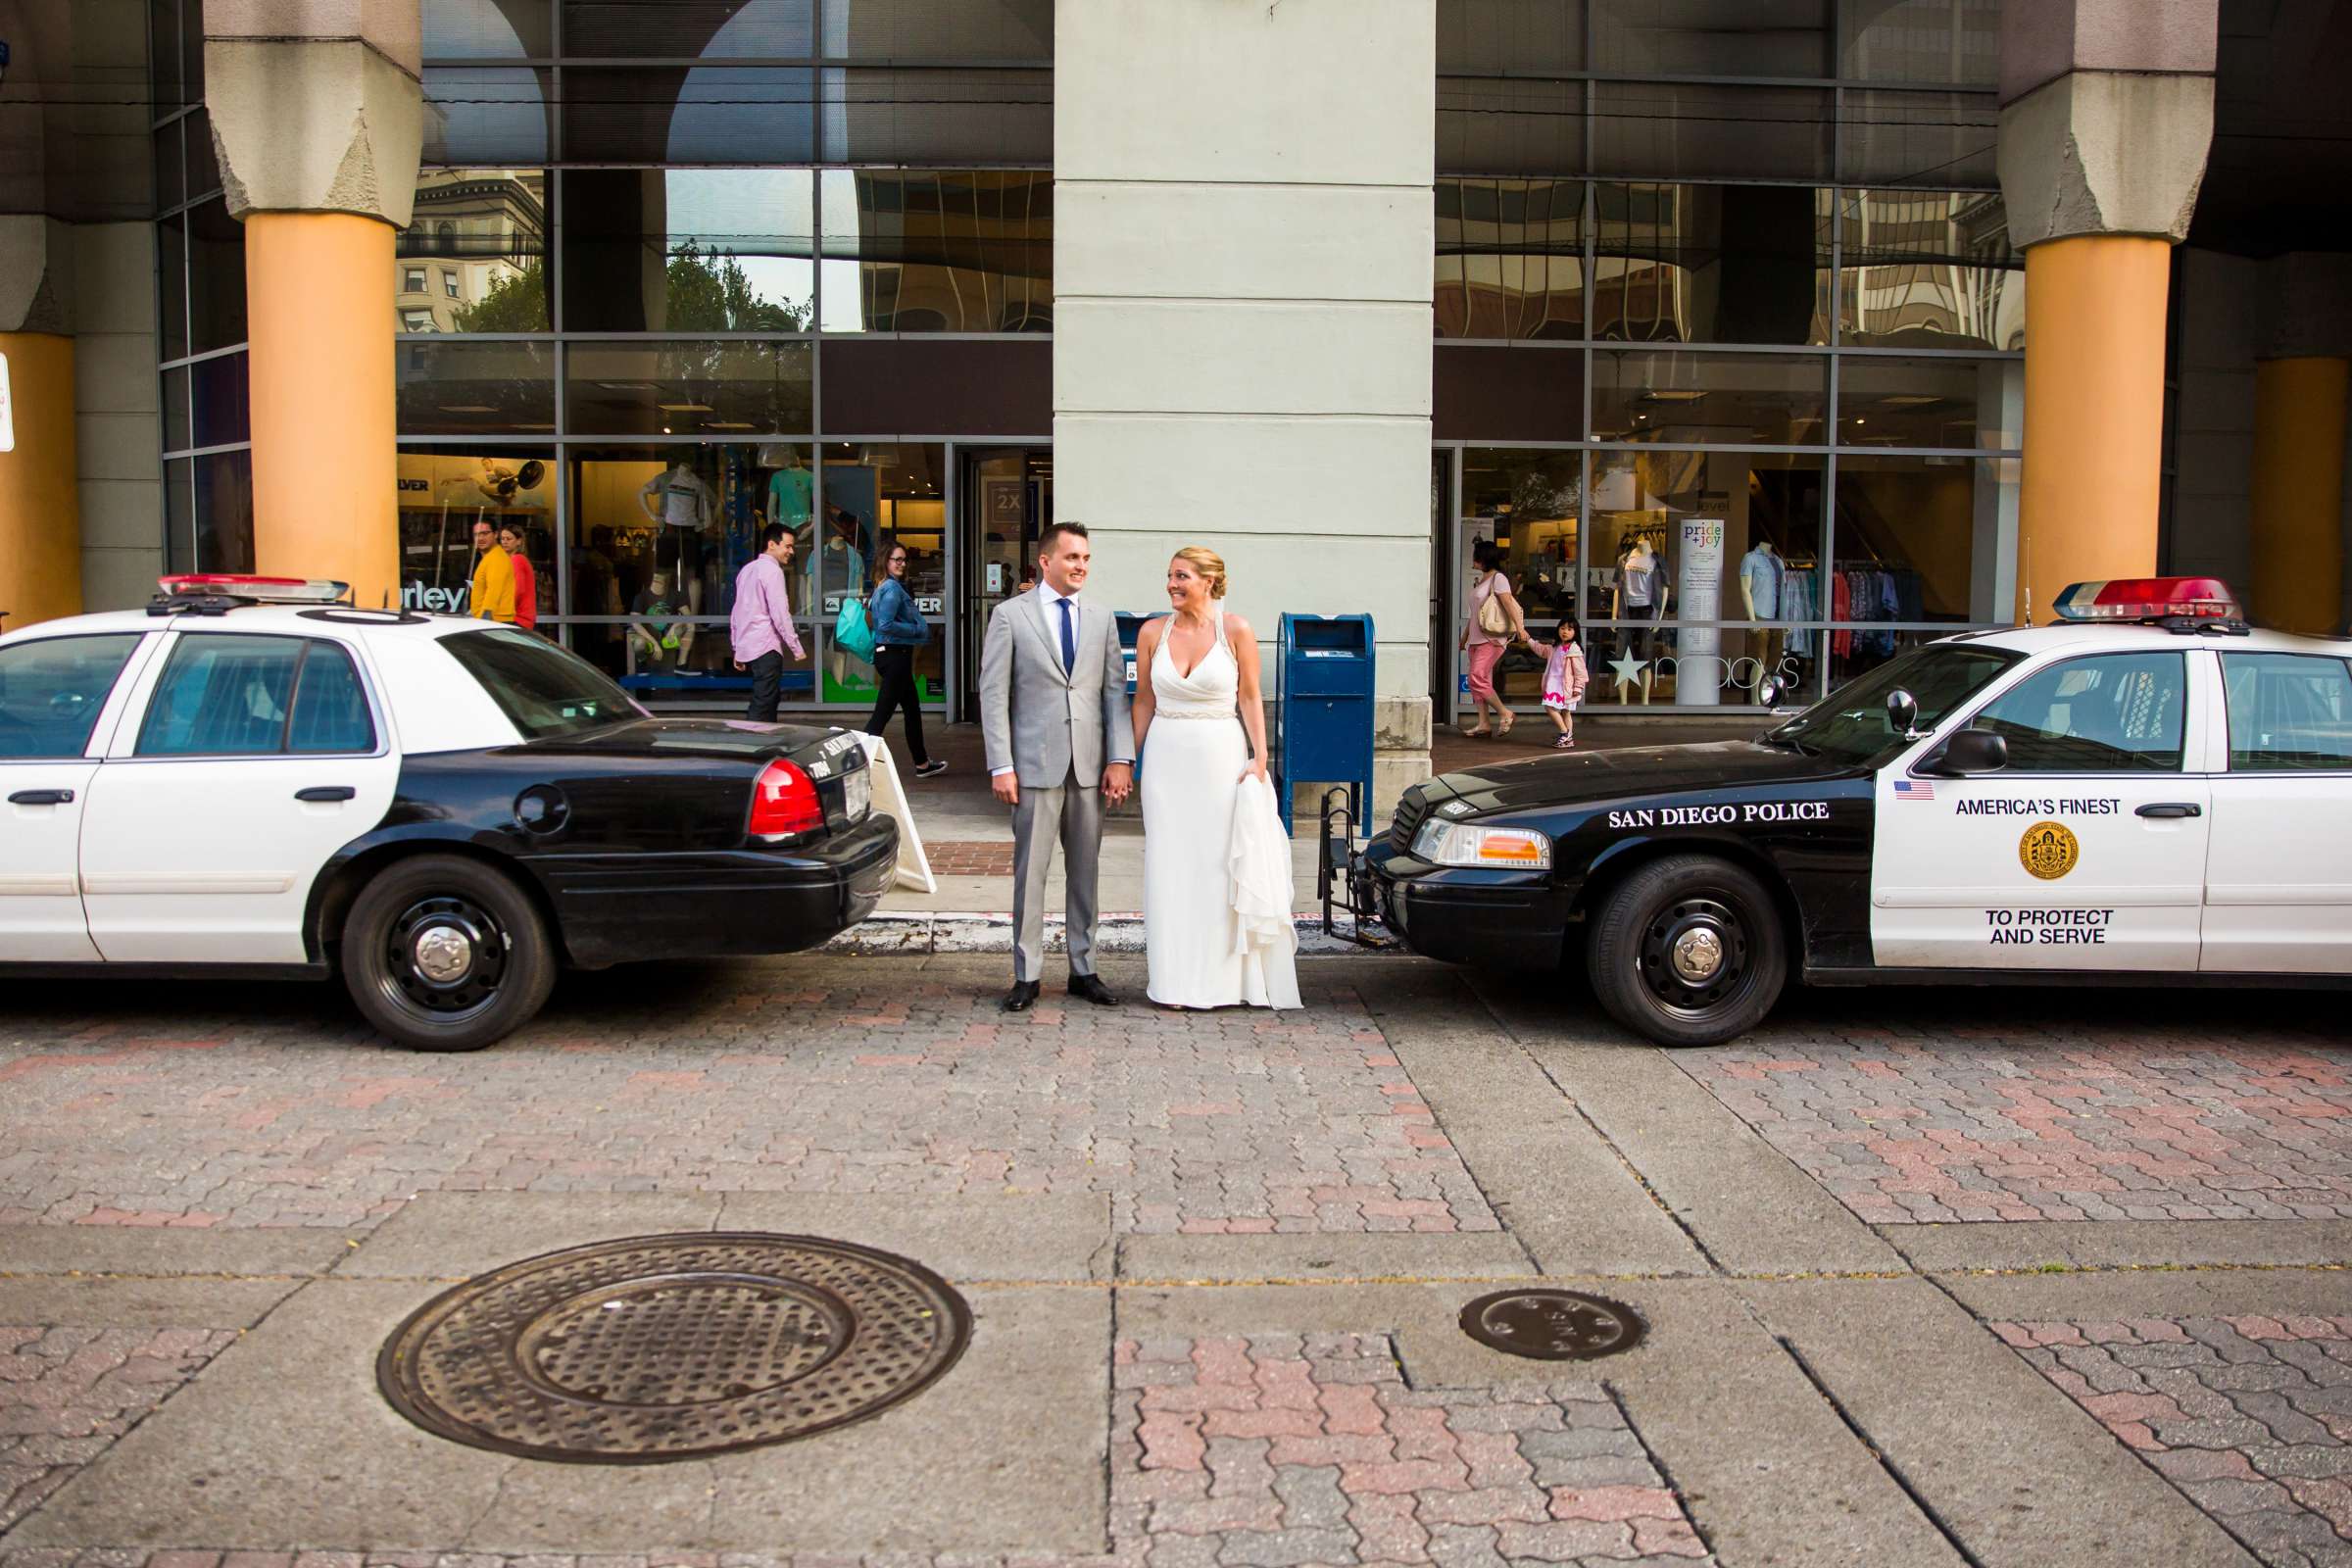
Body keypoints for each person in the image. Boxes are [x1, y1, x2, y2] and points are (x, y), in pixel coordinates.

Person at [1132, 548, 1300, 1011]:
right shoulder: (1152, 632)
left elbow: (1250, 696)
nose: (1171, 584)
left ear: (1209, 581)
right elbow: (1144, 700)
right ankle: (1174, 982)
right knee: (1169, 867)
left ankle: (1224, 983)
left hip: (1219, 761)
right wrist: (1126, 759)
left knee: (1216, 868)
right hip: (1166, 764)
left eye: (1181, 576)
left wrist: (1261, 756)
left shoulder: (1236, 630)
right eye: (1168, 575)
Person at [978, 521, 1135, 1013]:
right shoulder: (1009, 616)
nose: (1081, 566)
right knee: (1032, 874)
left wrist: (1119, 758)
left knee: (1085, 872)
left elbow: (1114, 692)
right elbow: (993, 695)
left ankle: (1082, 968)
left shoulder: (1101, 617)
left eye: (1086, 559)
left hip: (1089, 768)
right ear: (1045, 562)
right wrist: (1001, 764)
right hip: (1033, 767)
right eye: (1072, 558)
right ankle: (1026, 974)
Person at [865, 542, 947, 777]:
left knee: (912, 709)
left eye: (903, 560)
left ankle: (922, 763)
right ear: (885, 562)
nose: (901, 564)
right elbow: (886, 625)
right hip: (895, 657)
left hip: (894, 656)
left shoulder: (884, 586)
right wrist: (915, 629)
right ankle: (854, 765)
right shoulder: (891, 589)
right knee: (880, 717)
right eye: (896, 560)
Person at [730, 522, 807, 722]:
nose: (791, 551)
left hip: (750, 646)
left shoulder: (747, 570)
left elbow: (738, 613)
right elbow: (780, 613)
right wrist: (796, 647)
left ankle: (765, 746)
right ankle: (752, 747)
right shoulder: (772, 571)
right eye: (787, 546)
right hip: (766, 647)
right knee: (764, 702)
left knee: (767, 700)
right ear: (772, 544)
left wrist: (737, 647)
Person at [1459, 539, 1530, 738]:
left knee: (1476, 677)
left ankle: (1505, 713)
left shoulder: (1499, 579)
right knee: (1476, 682)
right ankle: (1483, 724)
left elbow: (1509, 604)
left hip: (1491, 639)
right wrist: (1464, 638)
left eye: (1476, 557)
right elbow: (1476, 615)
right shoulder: (1483, 580)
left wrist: (1520, 628)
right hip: (1476, 639)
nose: (1473, 560)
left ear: (1483, 558)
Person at [1533, 620, 1590, 749]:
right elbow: (1540, 649)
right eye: (1563, 628)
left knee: (1551, 708)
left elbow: (1581, 672)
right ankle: (1568, 739)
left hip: (1566, 687)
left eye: (1570, 629)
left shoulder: (1574, 650)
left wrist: (1578, 687)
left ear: (1576, 633)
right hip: (1554, 684)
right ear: (1558, 629)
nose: (1565, 632)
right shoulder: (1554, 647)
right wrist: (1529, 640)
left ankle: (1565, 733)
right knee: (1564, 712)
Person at [468, 518, 515, 623]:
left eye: (485, 533)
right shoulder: (490, 557)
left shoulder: (497, 557)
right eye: (476, 535)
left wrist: (485, 619)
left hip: (494, 621)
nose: (480, 538)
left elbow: (494, 590)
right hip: (492, 620)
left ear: (495, 534)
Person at [497, 522, 538, 632]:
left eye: (508, 539)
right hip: (516, 619)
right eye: (502, 538)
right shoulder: (511, 560)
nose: (504, 542)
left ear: (519, 541)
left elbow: (517, 590)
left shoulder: (517, 560)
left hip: (517, 619)